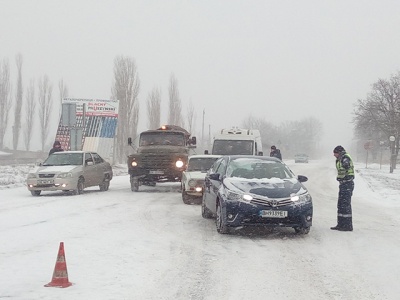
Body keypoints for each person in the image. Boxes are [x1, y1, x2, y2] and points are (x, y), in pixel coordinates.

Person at [331, 145, 355, 232]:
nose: (334, 155)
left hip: (347, 184)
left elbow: (346, 166)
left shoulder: (345, 158)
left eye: (335, 153)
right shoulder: (340, 158)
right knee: (340, 204)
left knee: (345, 205)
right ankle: (340, 224)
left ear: (339, 152)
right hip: (343, 184)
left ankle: (347, 226)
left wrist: (344, 177)